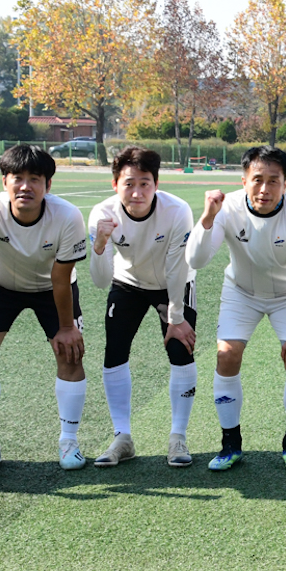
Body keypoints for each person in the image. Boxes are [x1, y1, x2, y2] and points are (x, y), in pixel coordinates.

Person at [0, 144, 90, 472]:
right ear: (4, 182)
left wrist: (67, 327)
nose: (25, 186)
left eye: (35, 179)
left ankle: (69, 441)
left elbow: (61, 277)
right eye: (17, 178)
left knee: (69, 353)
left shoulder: (67, 215)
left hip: (52, 287)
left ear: (48, 185)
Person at [187, 145, 286, 471]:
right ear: (244, 180)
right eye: (257, 179)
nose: (264, 189)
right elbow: (196, 260)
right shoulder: (227, 208)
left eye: (274, 181)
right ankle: (230, 444)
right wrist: (207, 218)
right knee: (226, 355)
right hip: (241, 292)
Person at [85, 145, 198, 468]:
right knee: (115, 350)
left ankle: (178, 436)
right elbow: (100, 280)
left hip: (172, 282)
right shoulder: (102, 214)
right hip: (128, 282)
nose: (137, 193)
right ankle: (122, 437)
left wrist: (176, 317)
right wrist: (100, 244)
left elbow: (177, 269)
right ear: (115, 185)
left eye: (145, 183)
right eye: (129, 184)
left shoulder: (177, 211)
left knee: (180, 349)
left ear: (156, 184)